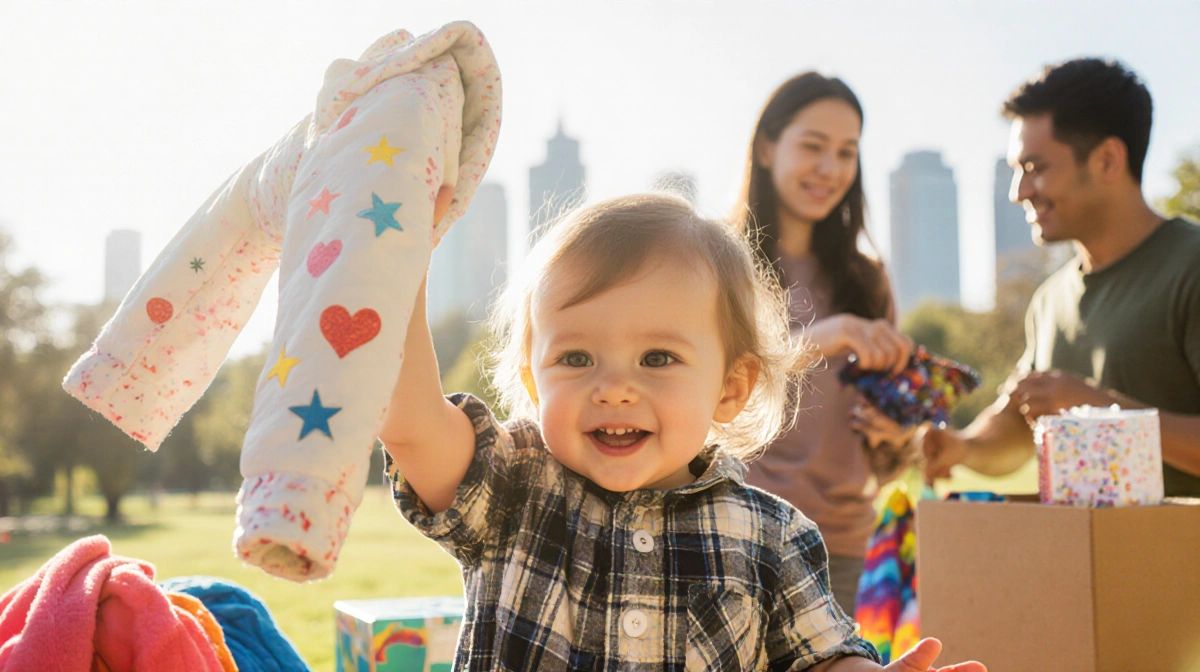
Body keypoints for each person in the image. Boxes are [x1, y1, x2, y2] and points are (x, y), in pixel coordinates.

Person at [378, 190, 984, 670]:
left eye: (658, 358)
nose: (614, 387)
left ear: (730, 387)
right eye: (576, 358)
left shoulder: (772, 536)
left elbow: (820, 659)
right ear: (535, 384)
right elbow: (412, 426)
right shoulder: (515, 482)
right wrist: (399, 262)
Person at [922, 58, 1200, 496]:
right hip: (1085, 564)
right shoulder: (1050, 301)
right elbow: (1019, 428)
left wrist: (1095, 406)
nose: (1019, 192)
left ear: (1108, 160)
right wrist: (961, 447)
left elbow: (1075, 400)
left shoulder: (1191, 266)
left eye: (1035, 168)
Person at [733, 73, 917, 614]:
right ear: (767, 147)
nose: (830, 169)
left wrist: (896, 433)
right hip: (738, 533)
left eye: (846, 152)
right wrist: (821, 337)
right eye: (813, 146)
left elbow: (884, 457)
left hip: (842, 547)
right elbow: (702, 389)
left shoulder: (868, 281)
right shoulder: (717, 261)